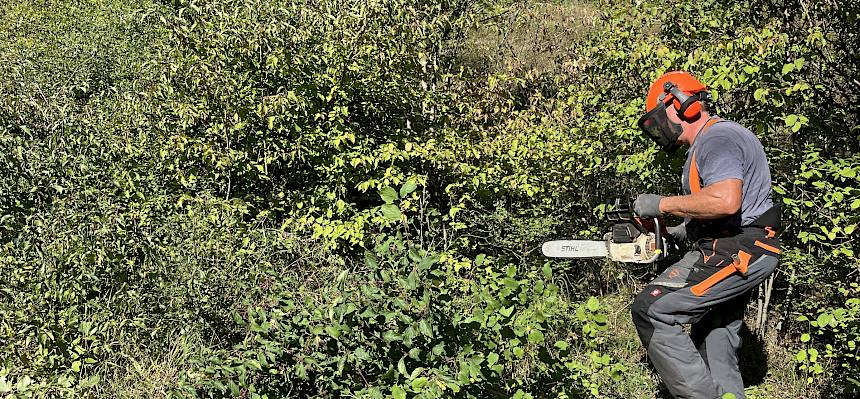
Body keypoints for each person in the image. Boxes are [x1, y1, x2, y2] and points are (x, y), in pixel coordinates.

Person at [630, 71, 781, 399]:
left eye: (659, 118)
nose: (658, 129)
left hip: (738, 249)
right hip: (738, 246)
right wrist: (669, 231)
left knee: (653, 310)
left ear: (680, 105)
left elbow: (726, 201)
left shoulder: (718, 139)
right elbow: (710, 214)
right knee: (713, 338)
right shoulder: (707, 144)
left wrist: (661, 204)